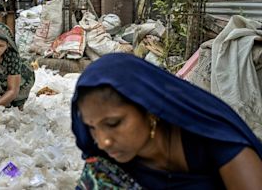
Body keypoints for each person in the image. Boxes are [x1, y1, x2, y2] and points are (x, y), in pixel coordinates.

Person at [71, 53, 262, 189]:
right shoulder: (108, 172)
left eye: (113, 123)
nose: (103, 141)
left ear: (149, 109)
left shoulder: (217, 143)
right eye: (91, 127)